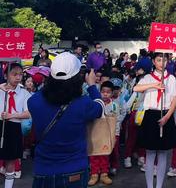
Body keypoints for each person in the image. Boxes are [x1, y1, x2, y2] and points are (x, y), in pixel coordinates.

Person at [28, 52, 104, 188]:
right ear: (77, 78)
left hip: (43, 170)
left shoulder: (34, 102)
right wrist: (92, 85)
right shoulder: (83, 104)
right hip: (75, 169)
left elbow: (45, 93)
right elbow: (100, 107)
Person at [134, 53, 176, 188]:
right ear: (153, 62)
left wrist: (167, 117)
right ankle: (149, 185)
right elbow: (136, 88)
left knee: (163, 153)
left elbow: (174, 100)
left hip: (165, 115)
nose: (162, 63)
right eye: (159, 60)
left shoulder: (171, 79)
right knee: (150, 153)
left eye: (164, 60)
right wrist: (154, 85)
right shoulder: (148, 77)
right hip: (150, 116)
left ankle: (159, 185)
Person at [0, 63, 31, 188]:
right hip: (0, 125)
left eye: (20, 74)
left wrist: (11, 115)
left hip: (13, 128)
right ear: (6, 75)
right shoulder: (1, 90)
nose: (18, 77)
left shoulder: (24, 93)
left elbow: (28, 113)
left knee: (11, 160)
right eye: (14, 74)